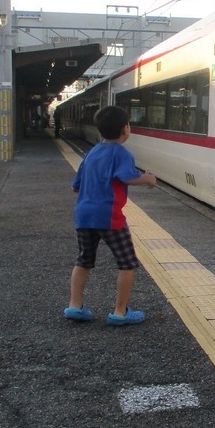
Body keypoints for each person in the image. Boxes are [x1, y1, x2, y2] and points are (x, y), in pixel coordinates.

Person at [64, 105, 156, 325]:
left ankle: (74, 306)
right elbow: (127, 177)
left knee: (84, 260)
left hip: (84, 216)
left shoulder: (91, 154)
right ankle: (119, 312)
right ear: (126, 129)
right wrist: (147, 179)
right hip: (109, 216)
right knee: (127, 263)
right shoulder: (121, 153)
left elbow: (75, 187)